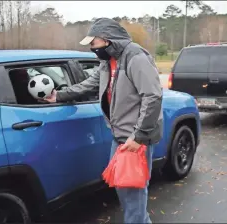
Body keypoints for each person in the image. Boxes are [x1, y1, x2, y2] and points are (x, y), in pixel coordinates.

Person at [44, 17, 163, 224]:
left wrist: (139, 136)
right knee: (124, 188)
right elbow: (90, 83)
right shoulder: (108, 61)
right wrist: (60, 95)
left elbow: (152, 97)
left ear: (107, 40)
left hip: (135, 138)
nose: (92, 47)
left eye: (93, 42)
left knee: (133, 192)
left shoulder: (135, 57)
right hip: (120, 136)